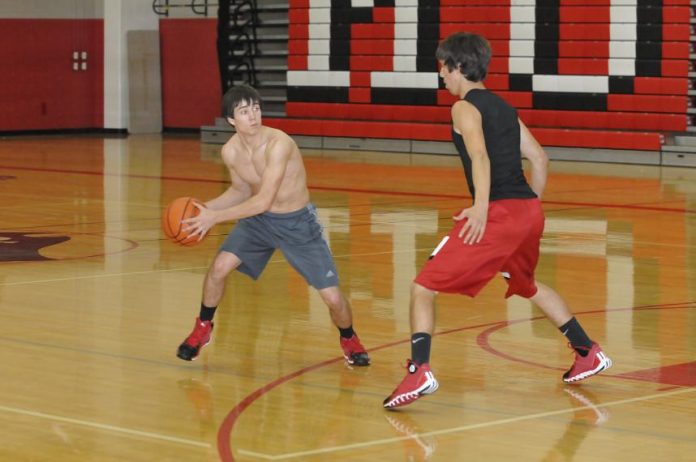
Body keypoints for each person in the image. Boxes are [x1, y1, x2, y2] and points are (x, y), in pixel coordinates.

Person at [383, 32, 612, 409]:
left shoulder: (463, 108)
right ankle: (587, 351)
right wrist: (529, 209)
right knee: (528, 285)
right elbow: (540, 160)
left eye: (443, 66)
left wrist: (483, 208)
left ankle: (418, 370)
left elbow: (480, 157)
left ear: (457, 67)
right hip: (525, 211)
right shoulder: (506, 108)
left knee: (423, 287)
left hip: (499, 213)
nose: (441, 75)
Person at [175, 84, 370, 367]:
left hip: (296, 224)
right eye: (244, 111)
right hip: (259, 223)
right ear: (232, 120)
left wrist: (215, 218)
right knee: (218, 268)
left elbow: (264, 199)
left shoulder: (279, 144)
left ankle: (349, 338)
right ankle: (202, 328)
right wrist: (206, 209)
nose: (253, 115)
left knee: (332, 298)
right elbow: (241, 191)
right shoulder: (230, 152)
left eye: (255, 108)